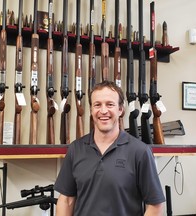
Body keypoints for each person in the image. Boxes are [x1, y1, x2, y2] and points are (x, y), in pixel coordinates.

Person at [54, 81, 165, 216]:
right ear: (91, 109)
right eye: (97, 105)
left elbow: (155, 205)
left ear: (120, 110)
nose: (103, 111)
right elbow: (66, 200)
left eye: (110, 104)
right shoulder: (75, 149)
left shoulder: (140, 152)